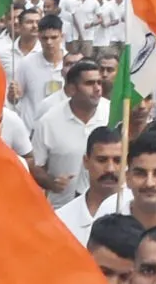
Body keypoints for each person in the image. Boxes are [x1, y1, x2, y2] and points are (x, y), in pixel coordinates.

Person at [31, 58, 107, 202]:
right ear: (72, 89)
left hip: (106, 208)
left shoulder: (113, 115)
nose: (97, 89)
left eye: (99, 82)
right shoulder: (48, 122)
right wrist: (52, 183)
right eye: (89, 83)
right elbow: (35, 167)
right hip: (62, 209)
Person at [55, 124, 126, 239]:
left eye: (117, 160)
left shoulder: (139, 212)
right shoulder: (62, 220)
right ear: (86, 161)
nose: (110, 169)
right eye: (102, 160)